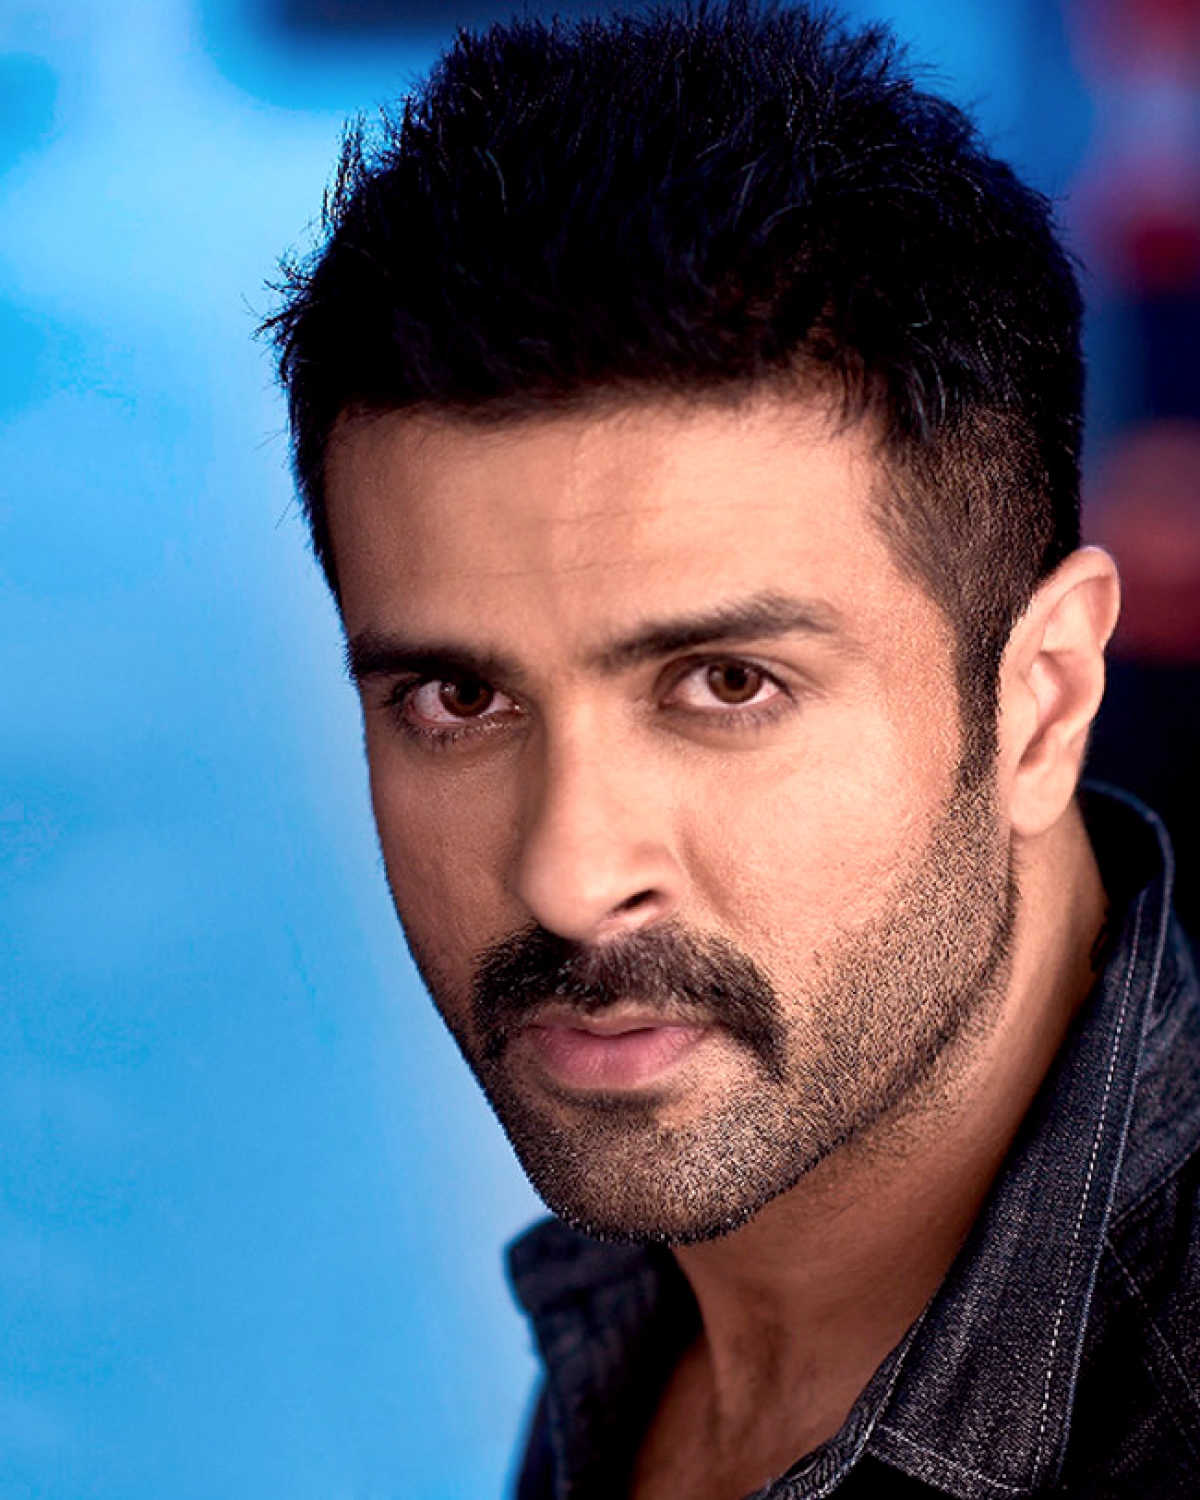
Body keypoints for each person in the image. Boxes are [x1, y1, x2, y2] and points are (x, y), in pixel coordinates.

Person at [264, 3, 1200, 1494]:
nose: (570, 878)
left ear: (1042, 698)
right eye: (457, 701)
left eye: (726, 684)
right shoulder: (660, 1282)